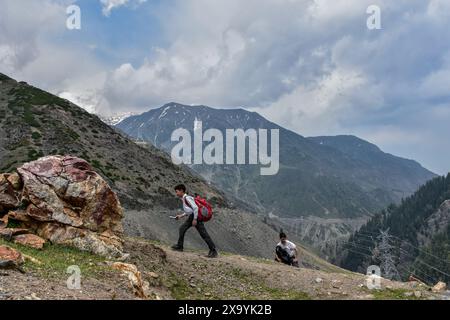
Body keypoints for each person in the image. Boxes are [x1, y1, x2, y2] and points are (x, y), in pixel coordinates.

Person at [171, 184, 218, 258]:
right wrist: (180, 216)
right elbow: (189, 210)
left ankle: (213, 250)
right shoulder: (185, 198)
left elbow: (195, 208)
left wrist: (195, 219)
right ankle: (179, 246)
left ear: (181, 191)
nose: (176, 193)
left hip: (196, 217)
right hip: (193, 216)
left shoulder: (187, 198)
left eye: (177, 192)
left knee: (203, 233)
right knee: (182, 228)